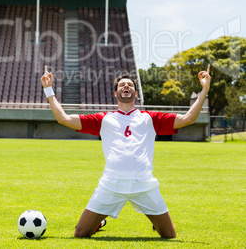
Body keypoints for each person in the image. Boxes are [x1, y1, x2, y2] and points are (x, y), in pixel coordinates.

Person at [41, 65, 211, 239]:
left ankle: (158, 221)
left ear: (135, 94)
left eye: (130, 85)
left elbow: (188, 118)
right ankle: (98, 221)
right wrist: (48, 89)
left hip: (144, 184)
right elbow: (63, 119)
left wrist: (204, 89)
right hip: (111, 184)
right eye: (122, 85)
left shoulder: (150, 118)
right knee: (81, 233)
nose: (126, 87)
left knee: (169, 235)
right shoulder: (104, 119)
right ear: (116, 94)